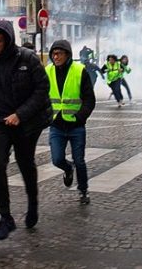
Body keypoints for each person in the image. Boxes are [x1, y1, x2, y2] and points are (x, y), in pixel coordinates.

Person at [0, 20, 52, 241]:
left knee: (25, 162)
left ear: (7, 40)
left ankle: (33, 203)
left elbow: (42, 89)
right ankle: (5, 217)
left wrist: (20, 114)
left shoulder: (26, 58)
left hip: (26, 121)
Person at [46, 40, 96, 205]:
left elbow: (89, 99)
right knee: (57, 159)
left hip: (75, 125)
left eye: (59, 53)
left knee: (79, 160)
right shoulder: (48, 71)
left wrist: (81, 116)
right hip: (56, 125)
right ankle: (68, 169)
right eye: (53, 53)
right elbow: (41, 95)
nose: (56, 57)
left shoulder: (79, 70)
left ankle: (83, 190)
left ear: (67, 55)